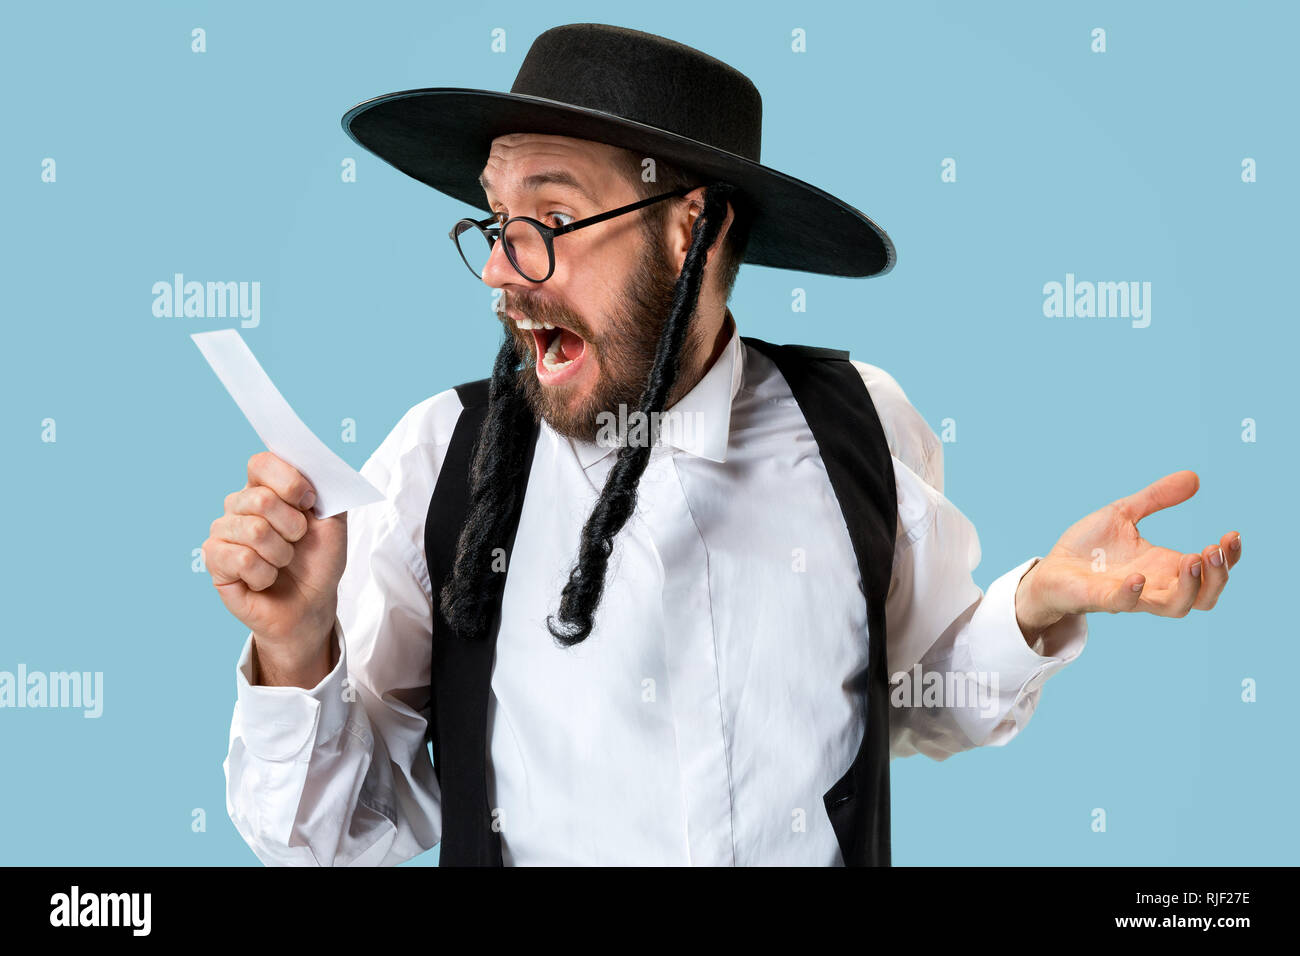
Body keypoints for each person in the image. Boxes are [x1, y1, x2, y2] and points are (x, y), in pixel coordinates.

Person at [203, 24, 1242, 866]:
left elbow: (918, 700)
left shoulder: (858, 426)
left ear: (687, 223)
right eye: (496, 219)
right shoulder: (442, 461)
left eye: (550, 217)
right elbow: (333, 841)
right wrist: (295, 649)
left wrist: (1032, 604)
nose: (502, 270)